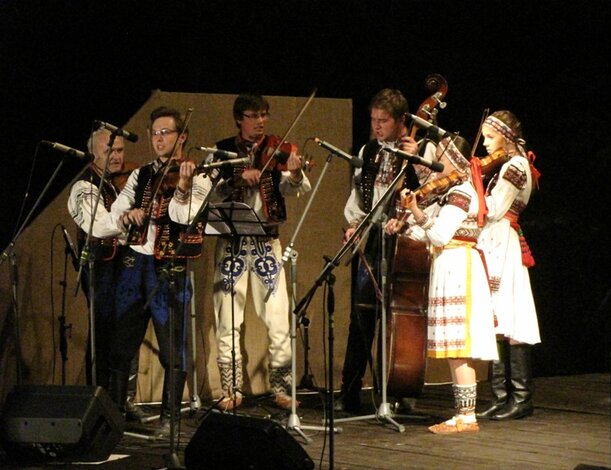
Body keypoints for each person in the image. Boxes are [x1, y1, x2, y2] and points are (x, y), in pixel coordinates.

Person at [95, 106, 207, 438]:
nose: (158, 140)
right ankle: (114, 415)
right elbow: (115, 212)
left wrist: (184, 187)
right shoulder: (140, 174)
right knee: (121, 343)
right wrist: (126, 216)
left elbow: (182, 215)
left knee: (173, 348)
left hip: (168, 266)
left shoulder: (198, 175)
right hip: (135, 264)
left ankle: (169, 419)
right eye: (154, 134)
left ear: (181, 137)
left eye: (165, 133)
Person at [385, 135, 498, 434]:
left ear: (458, 161)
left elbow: (438, 235)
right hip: (449, 265)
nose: (437, 161)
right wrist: (406, 224)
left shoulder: (460, 192)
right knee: (453, 345)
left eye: (443, 155)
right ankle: (463, 414)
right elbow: (428, 234)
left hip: (458, 266)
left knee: (459, 345)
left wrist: (418, 213)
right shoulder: (451, 192)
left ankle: (467, 416)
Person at [208, 93, 311, 410]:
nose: (261, 121)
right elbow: (209, 190)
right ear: (239, 119)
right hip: (233, 243)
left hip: (266, 243)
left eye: (264, 115)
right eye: (254, 116)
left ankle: (280, 387)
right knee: (228, 318)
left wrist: (294, 173)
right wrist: (239, 176)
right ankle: (231, 389)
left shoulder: (278, 150)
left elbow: (298, 188)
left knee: (279, 318)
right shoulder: (221, 150)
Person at [336, 88, 433, 413]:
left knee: (400, 317)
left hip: (407, 238)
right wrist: (355, 223)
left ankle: (398, 391)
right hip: (375, 237)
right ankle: (349, 393)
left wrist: (417, 160)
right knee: (362, 315)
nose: (377, 127)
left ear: (402, 120)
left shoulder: (423, 149)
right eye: (373, 120)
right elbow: (360, 195)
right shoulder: (370, 149)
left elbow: (433, 192)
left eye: (384, 121)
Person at [67, 127, 147, 423]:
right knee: (103, 335)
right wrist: (127, 217)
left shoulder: (122, 184)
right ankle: (99, 402)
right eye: (109, 151)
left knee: (128, 332)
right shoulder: (84, 186)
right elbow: (99, 225)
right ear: (93, 154)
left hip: (125, 267)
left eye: (120, 151)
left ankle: (123, 400)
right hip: (100, 269)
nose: (116, 157)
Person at [475, 110, 541, 421]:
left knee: (511, 314)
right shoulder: (506, 165)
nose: (485, 144)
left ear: (506, 136)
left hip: (504, 240)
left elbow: (495, 209)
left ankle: (521, 397)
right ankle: (501, 396)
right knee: (497, 317)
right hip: (494, 240)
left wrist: (471, 189)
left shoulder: (515, 165)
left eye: (490, 137)